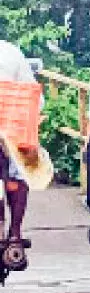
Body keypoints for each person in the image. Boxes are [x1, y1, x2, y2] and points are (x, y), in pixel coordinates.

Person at [0, 40, 40, 242]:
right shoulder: (10, 51)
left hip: (10, 133)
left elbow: (32, 95)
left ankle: (15, 230)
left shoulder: (10, 52)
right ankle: (15, 233)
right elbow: (35, 97)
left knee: (18, 170)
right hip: (13, 131)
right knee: (19, 172)